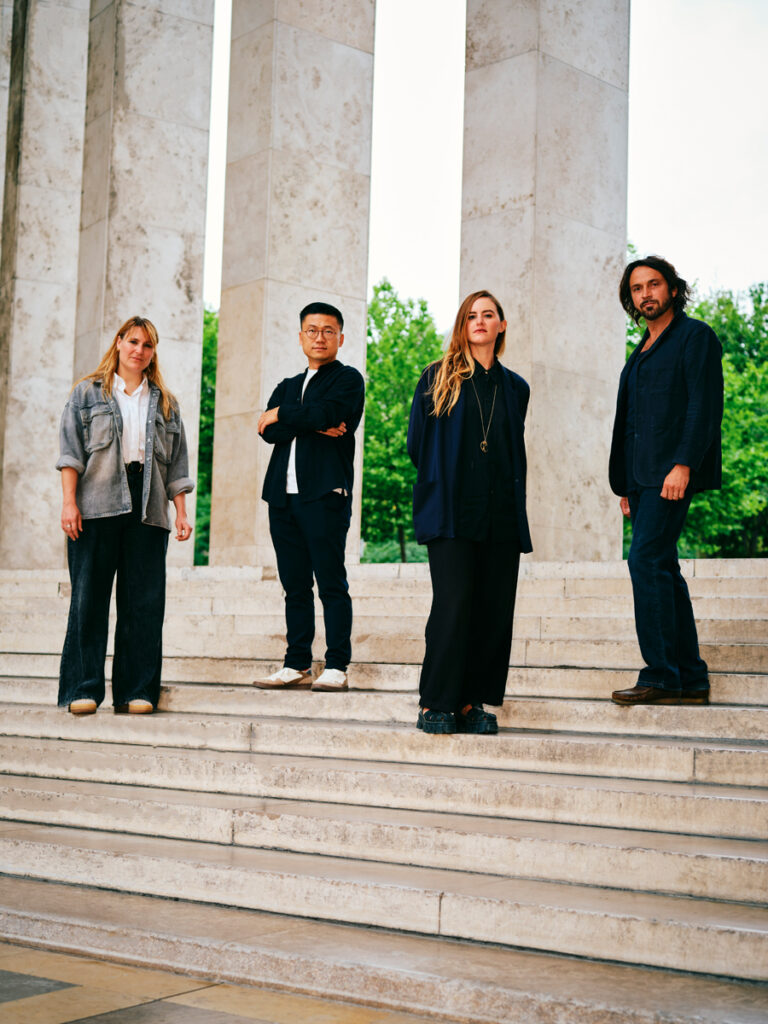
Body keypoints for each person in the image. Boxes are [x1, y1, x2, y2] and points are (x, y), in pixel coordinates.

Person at [407, 290, 532, 734]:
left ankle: (469, 702)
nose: (480, 321)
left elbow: (509, 445)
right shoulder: (436, 377)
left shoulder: (516, 387)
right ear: (462, 326)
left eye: (489, 315)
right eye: (471, 316)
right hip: (451, 510)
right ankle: (434, 701)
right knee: (454, 604)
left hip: (499, 512)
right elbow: (417, 445)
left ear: (501, 325)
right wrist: (448, 482)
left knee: (492, 610)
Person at [56, 316, 194, 715]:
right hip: (97, 505)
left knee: (144, 603)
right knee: (89, 599)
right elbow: (70, 454)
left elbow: (178, 467)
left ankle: (138, 691)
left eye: (148, 345)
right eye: (133, 341)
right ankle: (82, 689)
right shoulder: (87, 394)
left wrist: (181, 513)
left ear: (153, 353)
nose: (139, 350)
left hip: (149, 509)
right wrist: (69, 502)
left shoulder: (166, 403)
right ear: (118, 343)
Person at [609, 256, 723, 706]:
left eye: (653, 285)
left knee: (646, 560)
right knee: (662, 567)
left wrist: (684, 465)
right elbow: (630, 421)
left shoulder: (695, 337)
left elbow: (703, 406)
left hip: (672, 472)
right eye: (637, 289)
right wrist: (625, 485)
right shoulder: (638, 352)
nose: (645, 295)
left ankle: (662, 674)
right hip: (641, 480)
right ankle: (690, 677)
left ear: (672, 289)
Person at [255, 302, 365, 692]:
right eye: (312, 330)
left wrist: (285, 415)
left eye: (328, 330)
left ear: (340, 337)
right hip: (282, 499)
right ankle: (296, 662)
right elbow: (267, 431)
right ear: (301, 335)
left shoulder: (348, 379)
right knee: (295, 584)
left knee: (331, 581)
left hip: (324, 495)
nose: (320, 337)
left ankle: (336, 664)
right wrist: (308, 420)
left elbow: (331, 414)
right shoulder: (287, 384)